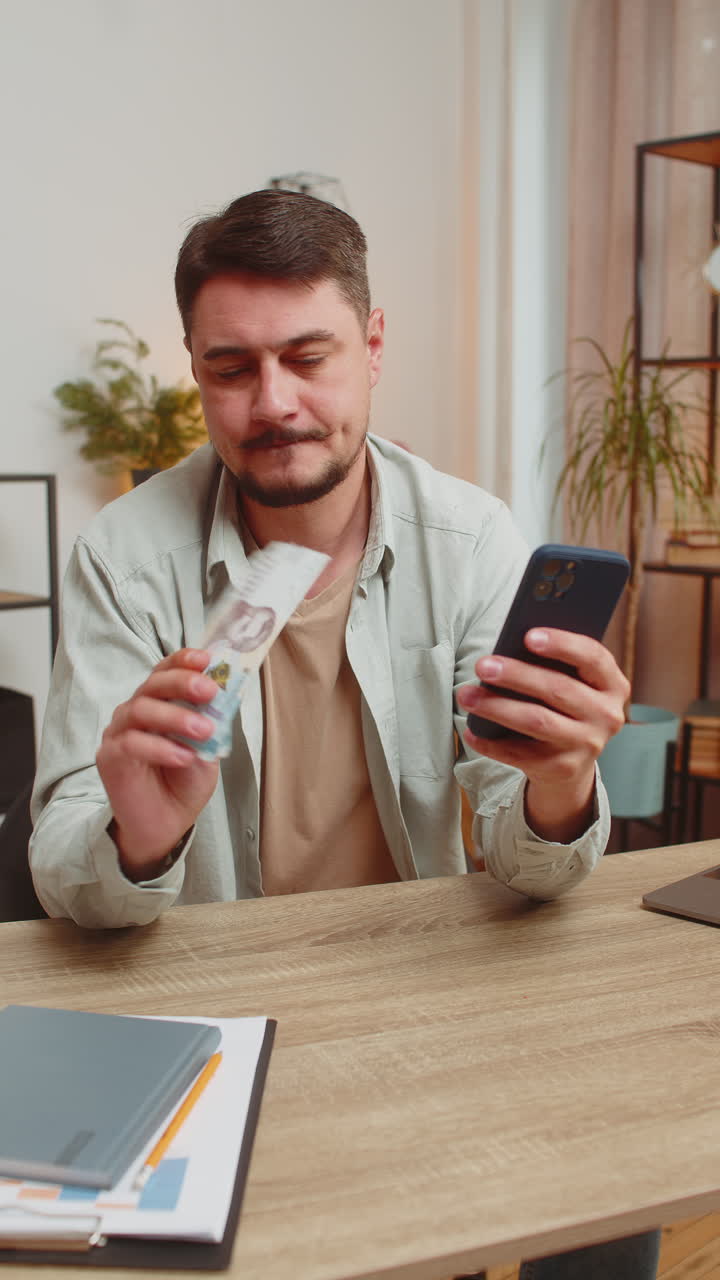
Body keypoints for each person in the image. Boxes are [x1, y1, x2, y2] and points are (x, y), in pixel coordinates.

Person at [29, 189, 658, 1278]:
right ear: (196, 372)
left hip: (421, 1003)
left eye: (308, 356)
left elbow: (532, 866)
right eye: (232, 367)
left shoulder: (471, 539)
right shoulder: (123, 559)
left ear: (372, 347)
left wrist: (559, 786)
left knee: (616, 1176)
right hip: (203, 1021)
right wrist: (137, 836)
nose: (273, 402)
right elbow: (62, 875)